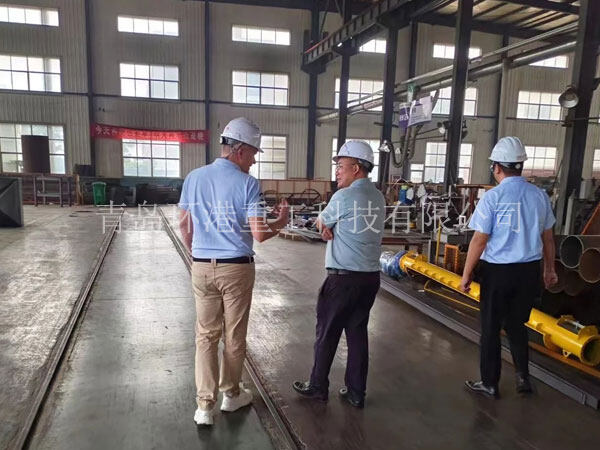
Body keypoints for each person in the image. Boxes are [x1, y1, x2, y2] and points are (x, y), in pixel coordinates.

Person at [178, 117, 289, 425]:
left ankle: (204, 407)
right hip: (236, 270)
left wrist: (199, 254)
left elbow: (185, 226)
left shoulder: (194, 177)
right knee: (234, 335)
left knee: (205, 336)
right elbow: (260, 233)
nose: (253, 161)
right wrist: (281, 221)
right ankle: (231, 395)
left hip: (202, 266)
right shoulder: (247, 184)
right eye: (253, 154)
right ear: (240, 150)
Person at [460, 136, 558, 398]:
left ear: (496, 168)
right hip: (528, 272)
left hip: (499, 272)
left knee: (491, 328)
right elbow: (548, 239)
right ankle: (523, 378)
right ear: (520, 166)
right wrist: (549, 270)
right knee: (517, 325)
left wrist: (466, 274)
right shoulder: (539, 196)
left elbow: (479, 240)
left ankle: (490, 383)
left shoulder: (493, 197)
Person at [292, 140, 385, 408]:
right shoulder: (378, 198)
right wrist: (331, 228)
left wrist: (327, 227)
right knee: (357, 334)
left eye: (341, 166)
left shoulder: (343, 197)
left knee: (327, 332)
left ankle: (318, 386)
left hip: (342, 279)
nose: (337, 172)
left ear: (356, 168)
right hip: (369, 279)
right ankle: (356, 392)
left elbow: (320, 222)